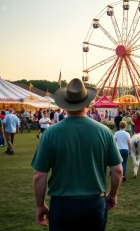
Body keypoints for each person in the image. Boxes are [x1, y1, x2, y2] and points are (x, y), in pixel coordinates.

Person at [31, 78, 122, 230]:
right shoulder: (104, 132)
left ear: (64, 105)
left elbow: (39, 175)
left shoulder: (50, 133)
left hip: (62, 204)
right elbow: (118, 170)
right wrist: (112, 195)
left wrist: (40, 205)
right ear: (88, 104)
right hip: (94, 203)